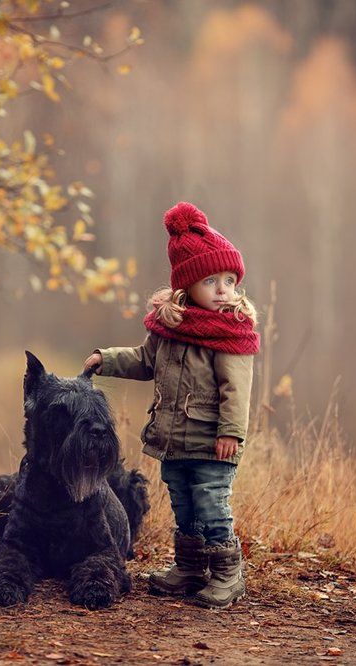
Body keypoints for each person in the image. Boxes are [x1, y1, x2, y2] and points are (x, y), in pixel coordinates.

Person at [83, 201, 260, 609]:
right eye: (212, 280)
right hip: (173, 440)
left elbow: (237, 389)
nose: (223, 290)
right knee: (183, 504)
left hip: (213, 443)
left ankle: (228, 574)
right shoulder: (170, 328)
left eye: (230, 281)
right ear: (187, 285)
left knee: (212, 505)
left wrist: (231, 432)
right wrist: (107, 358)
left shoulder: (229, 332)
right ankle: (190, 568)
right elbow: (145, 361)